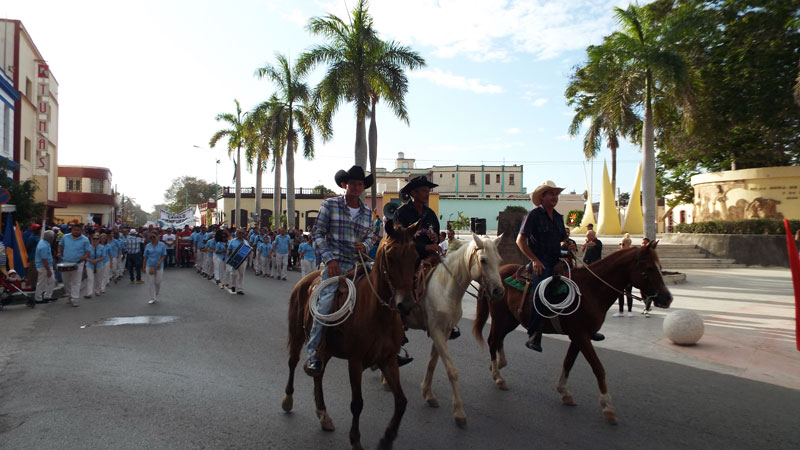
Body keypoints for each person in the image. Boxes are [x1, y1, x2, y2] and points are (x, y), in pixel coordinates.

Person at [517, 180, 604, 352]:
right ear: (542, 197)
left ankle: (586, 326)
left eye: (556, 194)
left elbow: (563, 239)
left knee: (581, 286)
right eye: (551, 194)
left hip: (558, 260)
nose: (555, 197)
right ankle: (534, 333)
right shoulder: (533, 215)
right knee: (542, 290)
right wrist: (535, 260)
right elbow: (520, 241)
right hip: (540, 261)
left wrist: (568, 244)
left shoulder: (558, 217)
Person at [305, 165, 375, 375]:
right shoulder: (330, 205)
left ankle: (389, 347)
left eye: (360, 184)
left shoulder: (367, 212)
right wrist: (330, 259)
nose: (356, 187)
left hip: (360, 264)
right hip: (336, 265)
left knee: (385, 293)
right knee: (326, 303)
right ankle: (314, 352)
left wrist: (366, 245)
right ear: (345, 185)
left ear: (363, 187)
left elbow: (372, 236)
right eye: (352, 183)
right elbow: (317, 234)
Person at [396, 176, 442, 267]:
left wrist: (436, 238)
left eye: (428, 191)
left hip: (430, 258)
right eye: (424, 191)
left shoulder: (431, 214)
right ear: (413, 193)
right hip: (407, 261)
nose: (427, 194)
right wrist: (425, 247)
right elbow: (400, 239)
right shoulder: (401, 213)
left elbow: (437, 237)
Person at [57, 223, 91, 307]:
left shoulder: (85, 239)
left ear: (81, 231)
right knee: (66, 281)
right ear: (71, 230)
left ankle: (75, 299)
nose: (76, 232)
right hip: (66, 262)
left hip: (78, 263)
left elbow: (88, 251)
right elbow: (60, 245)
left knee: (76, 281)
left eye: (78, 230)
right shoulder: (65, 237)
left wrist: (84, 257)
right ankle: (69, 295)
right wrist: (59, 252)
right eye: (74, 230)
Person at [142, 232, 167, 304]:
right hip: (150, 265)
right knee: (150, 282)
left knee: (158, 282)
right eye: (151, 237)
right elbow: (145, 257)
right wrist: (143, 267)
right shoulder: (148, 246)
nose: (152, 238)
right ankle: (152, 297)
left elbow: (164, 255)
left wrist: (160, 262)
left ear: (157, 237)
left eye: (154, 237)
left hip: (159, 266)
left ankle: (156, 293)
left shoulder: (162, 245)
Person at [33, 230, 56, 305]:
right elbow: (44, 259)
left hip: (45, 266)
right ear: (50, 238)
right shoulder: (44, 246)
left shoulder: (45, 243)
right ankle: (38, 298)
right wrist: (48, 270)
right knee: (42, 283)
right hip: (43, 267)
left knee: (51, 281)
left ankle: (47, 296)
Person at [614, 234, 633, 317]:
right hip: (619, 276)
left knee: (629, 293)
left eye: (623, 244)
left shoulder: (631, 254)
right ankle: (621, 311)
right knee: (620, 294)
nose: (621, 246)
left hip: (628, 276)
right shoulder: (619, 253)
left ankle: (629, 311)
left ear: (628, 245)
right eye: (620, 244)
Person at [81, 233, 106, 298]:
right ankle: (89, 293)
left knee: (98, 278)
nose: (95, 240)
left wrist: (96, 260)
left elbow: (103, 256)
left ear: (99, 240)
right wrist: (90, 260)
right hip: (89, 264)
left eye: (97, 239)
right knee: (90, 278)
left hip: (99, 264)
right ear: (91, 239)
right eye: (94, 239)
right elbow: (85, 256)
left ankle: (97, 290)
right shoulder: (88, 247)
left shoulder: (102, 247)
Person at [227, 228, 248, 295]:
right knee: (234, 274)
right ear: (237, 233)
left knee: (241, 275)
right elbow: (229, 249)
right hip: (234, 259)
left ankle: (240, 289)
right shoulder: (232, 241)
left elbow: (248, 250)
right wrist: (229, 254)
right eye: (239, 233)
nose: (240, 234)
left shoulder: (245, 242)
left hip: (242, 260)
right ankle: (233, 285)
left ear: (244, 234)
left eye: (242, 233)